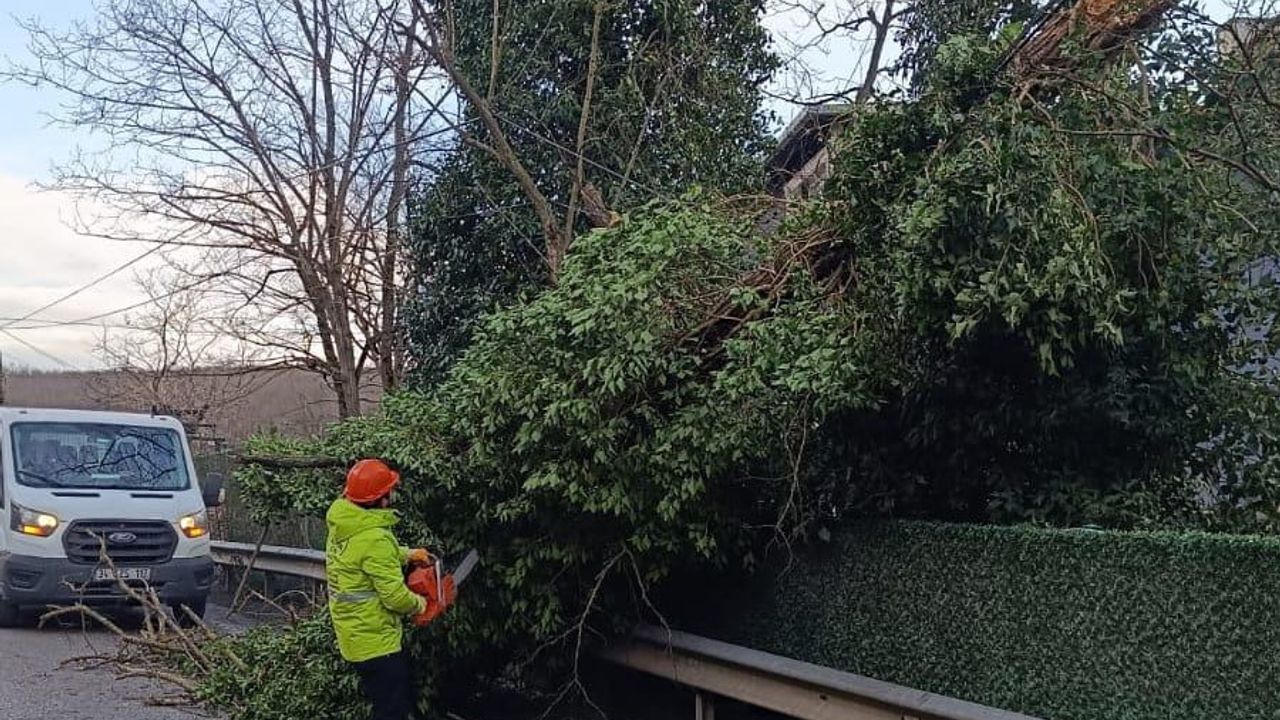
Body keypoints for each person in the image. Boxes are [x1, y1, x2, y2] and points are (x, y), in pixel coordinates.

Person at [326, 458, 433, 720]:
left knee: (385, 702)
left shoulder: (345, 523)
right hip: (376, 641)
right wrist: (423, 603)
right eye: (390, 490)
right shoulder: (374, 538)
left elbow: (367, 556)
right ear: (380, 497)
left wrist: (409, 554)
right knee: (391, 711)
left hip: (354, 636)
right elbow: (395, 597)